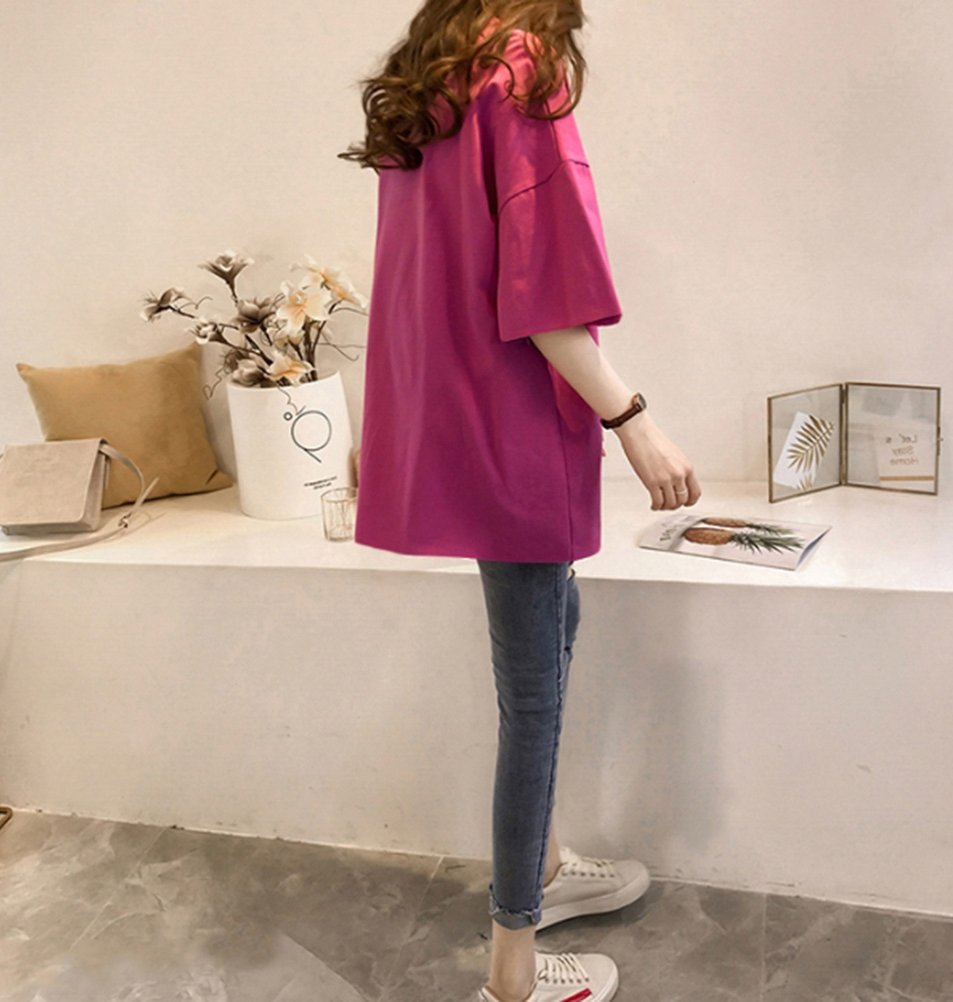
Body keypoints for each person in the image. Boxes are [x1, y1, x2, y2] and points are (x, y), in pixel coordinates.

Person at [339, 3, 701, 1001]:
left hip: (450, 421)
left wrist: (383, 422)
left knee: (551, 631)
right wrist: (633, 419)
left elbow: (411, 277)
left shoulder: (435, 75)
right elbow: (543, 299)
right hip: (512, 434)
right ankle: (513, 970)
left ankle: (542, 867)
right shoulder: (520, 70)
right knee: (533, 700)